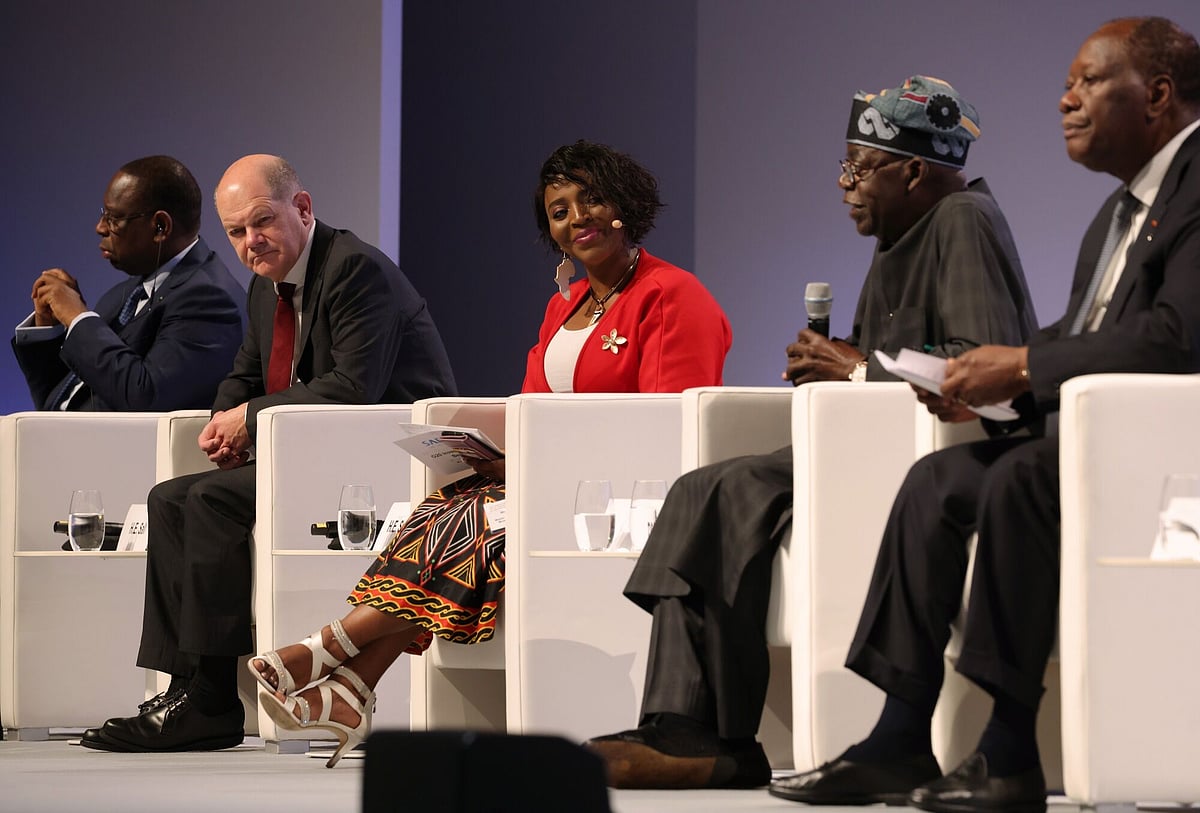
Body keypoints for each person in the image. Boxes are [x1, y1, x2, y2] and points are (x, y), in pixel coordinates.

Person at [770, 17, 1200, 812]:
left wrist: (1026, 365)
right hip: (1088, 429)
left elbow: (1178, 337)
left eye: (1086, 82)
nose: (1065, 99)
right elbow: (1085, 335)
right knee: (938, 479)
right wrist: (980, 380)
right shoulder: (1120, 211)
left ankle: (1009, 749)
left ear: (1159, 96)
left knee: (1020, 482)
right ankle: (899, 736)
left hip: (1167, 444)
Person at [586, 77, 1040, 791]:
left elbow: (980, 359)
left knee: (725, 487)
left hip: (924, 457)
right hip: (860, 445)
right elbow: (882, 358)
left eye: (859, 169)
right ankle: (684, 725)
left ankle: (710, 734)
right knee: (705, 488)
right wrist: (834, 369)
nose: (845, 186)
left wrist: (855, 372)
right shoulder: (902, 238)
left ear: (914, 170)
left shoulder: (963, 221)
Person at [243, 139, 732, 767]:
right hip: (557, 482)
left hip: (628, 490)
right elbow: (528, 402)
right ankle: (351, 683)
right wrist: (497, 453)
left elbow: (670, 420)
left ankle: (337, 650)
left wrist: (547, 459)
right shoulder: (564, 306)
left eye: (591, 199)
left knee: (475, 517)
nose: (576, 217)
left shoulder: (672, 294)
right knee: (449, 500)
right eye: (559, 210)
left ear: (624, 207)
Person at [81, 154, 458, 753]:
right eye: (235, 232)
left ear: (302, 209)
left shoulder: (355, 269)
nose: (251, 242)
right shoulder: (266, 286)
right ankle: (183, 686)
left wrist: (249, 419)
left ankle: (210, 700)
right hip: (312, 452)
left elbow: (353, 387)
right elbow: (246, 374)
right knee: (169, 497)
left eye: (262, 222)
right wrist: (222, 423)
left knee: (209, 500)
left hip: (386, 457)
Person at [11, 155, 245, 411]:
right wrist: (51, 327)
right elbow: (61, 404)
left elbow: (146, 397)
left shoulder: (208, 299)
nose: (100, 228)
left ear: (160, 227)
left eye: (113, 219)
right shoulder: (122, 295)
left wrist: (77, 318)